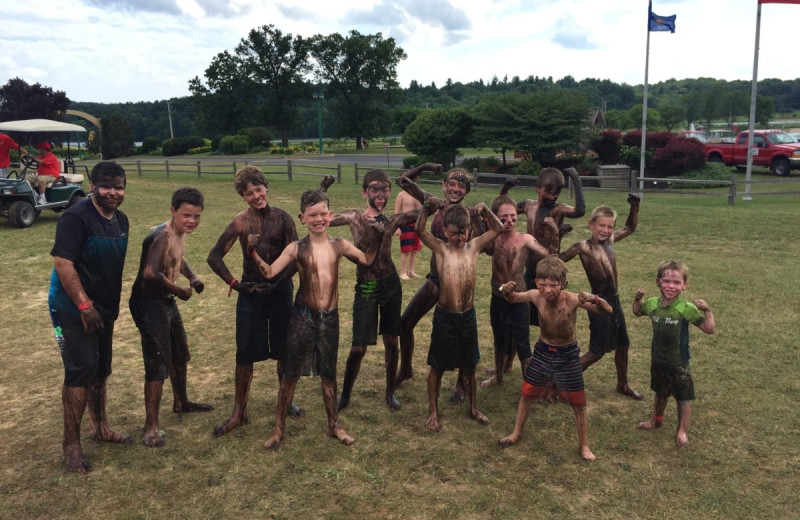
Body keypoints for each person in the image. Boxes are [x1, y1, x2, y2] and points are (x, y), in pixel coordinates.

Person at [252, 189, 382, 450]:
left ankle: (334, 425)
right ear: (303, 218)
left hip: (329, 318)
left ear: (331, 216)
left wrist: (378, 237)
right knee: (290, 374)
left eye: (323, 214)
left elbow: (367, 259)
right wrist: (252, 252)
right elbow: (269, 272)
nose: (319, 219)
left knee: (329, 374)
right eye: (313, 215)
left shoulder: (339, 245)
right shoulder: (295, 248)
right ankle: (278, 430)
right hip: (302, 316)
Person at [48, 161, 132, 473]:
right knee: (79, 372)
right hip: (70, 308)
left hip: (103, 311)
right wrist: (85, 306)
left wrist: (106, 309)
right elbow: (63, 264)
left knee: (100, 370)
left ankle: (100, 427)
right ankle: (71, 446)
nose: (113, 192)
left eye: (119, 186)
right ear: (93, 186)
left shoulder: (121, 220)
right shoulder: (76, 217)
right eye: (107, 186)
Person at [207, 165, 301, 438]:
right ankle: (239, 411)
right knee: (244, 352)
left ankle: (286, 401)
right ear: (243, 197)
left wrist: (280, 282)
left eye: (259, 189)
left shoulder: (283, 219)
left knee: (283, 350)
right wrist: (236, 285)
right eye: (249, 193)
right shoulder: (240, 222)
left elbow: (297, 256)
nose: (256, 196)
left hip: (281, 292)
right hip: (251, 294)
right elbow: (214, 257)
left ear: (266, 187)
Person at [497, 256, 612, 461]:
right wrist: (505, 288)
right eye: (543, 285)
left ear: (564, 284)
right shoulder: (535, 295)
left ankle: (584, 446)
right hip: (543, 350)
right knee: (527, 394)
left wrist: (595, 299)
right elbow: (511, 297)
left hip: (567, 354)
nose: (547, 290)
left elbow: (607, 310)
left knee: (578, 403)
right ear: (536, 283)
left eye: (553, 285)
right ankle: (516, 433)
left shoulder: (573, 299)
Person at [395, 165, 487, 404]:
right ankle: (406, 368)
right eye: (452, 184)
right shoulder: (432, 203)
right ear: (444, 186)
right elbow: (402, 181)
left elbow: (487, 247)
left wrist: (480, 218)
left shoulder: (468, 215)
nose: (456, 188)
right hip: (436, 280)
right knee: (405, 323)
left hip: (457, 284)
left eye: (461, 185)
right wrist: (425, 168)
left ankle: (461, 383)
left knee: (460, 332)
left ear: (467, 190)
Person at [129, 187, 213, 447]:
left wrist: (192, 277)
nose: (192, 221)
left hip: (166, 301)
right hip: (149, 303)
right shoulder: (161, 236)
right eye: (187, 215)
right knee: (157, 363)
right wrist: (180, 290)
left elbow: (178, 259)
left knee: (180, 352)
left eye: (197, 216)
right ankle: (150, 427)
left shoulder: (179, 233)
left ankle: (181, 401)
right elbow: (150, 274)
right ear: (173, 211)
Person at [330, 169, 416, 411]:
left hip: (390, 285)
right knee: (359, 346)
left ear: (390, 191)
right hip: (367, 285)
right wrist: (323, 190)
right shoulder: (354, 217)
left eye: (384, 189)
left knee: (391, 340)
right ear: (364, 192)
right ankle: (345, 395)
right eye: (374, 189)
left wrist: (410, 182)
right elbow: (324, 218)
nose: (380, 194)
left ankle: (390, 392)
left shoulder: (392, 220)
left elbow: (427, 207)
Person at [417, 200, 502, 431]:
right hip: (445, 317)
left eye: (463, 233)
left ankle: (473, 408)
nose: (459, 238)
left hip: (468, 317)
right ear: (445, 231)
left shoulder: (474, 247)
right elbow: (419, 230)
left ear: (470, 230)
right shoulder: (441, 249)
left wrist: (484, 211)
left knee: (470, 366)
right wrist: (426, 210)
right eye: (454, 234)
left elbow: (498, 229)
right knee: (437, 366)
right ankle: (432, 411)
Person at [559, 194, 643, 400]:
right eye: (601, 226)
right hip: (598, 302)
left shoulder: (611, 240)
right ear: (591, 224)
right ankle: (559, 382)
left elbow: (630, 228)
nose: (605, 230)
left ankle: (622, 384)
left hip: (614, 300)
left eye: (610, 227)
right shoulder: (582, 247)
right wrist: (558, 235)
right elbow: (558, 260)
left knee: (623, 345)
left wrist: (635, 206)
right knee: (596, 351)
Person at [632, 260, 715, 447]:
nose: (671, 286)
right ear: (658, 282)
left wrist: (708, 310)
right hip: (658, 360)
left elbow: (709, 329)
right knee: (660, 392)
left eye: (676, 282)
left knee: (683, 397)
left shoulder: (686, 309)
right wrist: (637, 299)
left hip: (679, 363)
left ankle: (682, 431)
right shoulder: (653, 304)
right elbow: (637, 312)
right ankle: (656, 419)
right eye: (667, 281)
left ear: (684, 285)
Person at [481, 195, 555, 389]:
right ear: (494, 218)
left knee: (523, 344)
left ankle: (529, 385)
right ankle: (498, 375)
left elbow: (550, 256)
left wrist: (554, 232)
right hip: (498, 295)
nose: (510, 221)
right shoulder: (492, 239)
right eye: (503, 218)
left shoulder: (525, 239)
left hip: (519, 299)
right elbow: (479, 244)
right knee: (499, 340)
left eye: (513, 217)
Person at [504, 168, 586, 326]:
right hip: (529, 272)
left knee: (550, 319)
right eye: (548, 191)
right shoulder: (529, 206)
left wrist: (576, 179)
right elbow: (503, 209)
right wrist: (506, 188)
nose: (552, 196)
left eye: (556, 193)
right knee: (522, 316)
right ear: (537, 188)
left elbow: (579, 211)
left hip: (550, 273)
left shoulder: (558, 209)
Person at [394, 188, 422, 280]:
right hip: (405, 224)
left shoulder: (418, 195)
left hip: (416, 225)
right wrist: (397, 227)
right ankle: (402, 272)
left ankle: (411, 271)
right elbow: (396, 212)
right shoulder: (401, 195)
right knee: (406, 250)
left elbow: (422, 210)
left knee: (414, 250)